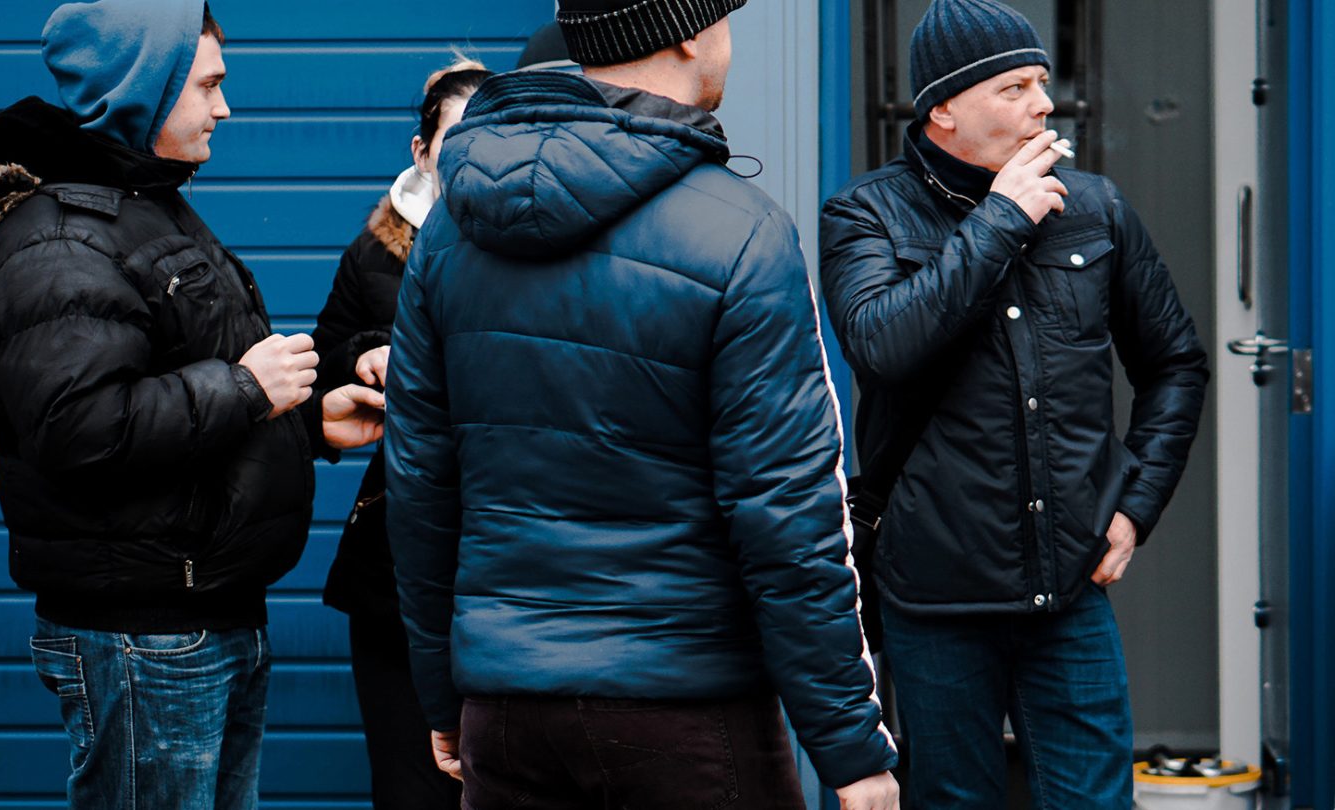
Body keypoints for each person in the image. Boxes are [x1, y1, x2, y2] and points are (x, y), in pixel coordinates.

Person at [382, 1, 900, 808]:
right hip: (687, 714)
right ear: (692, 33)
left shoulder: (450, 229)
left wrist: (442, 694)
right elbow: (788, 511)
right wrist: (851, 749)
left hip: (510, 710)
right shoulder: (741, 233)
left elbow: (420, 488)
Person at [0, 1, 383, 806]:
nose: (225, 107)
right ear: (146, 89)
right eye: (208, 86)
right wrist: (248, 387)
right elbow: (78, 427)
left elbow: (181, 394)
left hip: (201, 616)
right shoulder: (60, 240)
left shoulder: (144, 205)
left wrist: (310, 424)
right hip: (145, 635)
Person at [818, 0, 1209, 806]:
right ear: (945, 109)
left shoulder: (1096, 207)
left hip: (1069, 589)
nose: (1043, 103)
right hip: (934, 591)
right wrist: (1001, 218)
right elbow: (881, 347)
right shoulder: (865, 215)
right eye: (1014, 88)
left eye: (1041, 82)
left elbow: (1175, 363)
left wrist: (1135, 506)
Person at [312, 58, 490, 810]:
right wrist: (363, 356)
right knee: (411, 786)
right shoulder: (377, 250)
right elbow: (324, 361)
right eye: (456, 138)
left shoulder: (539, 243)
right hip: (396, 566)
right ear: (421, 153)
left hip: (504, 567)